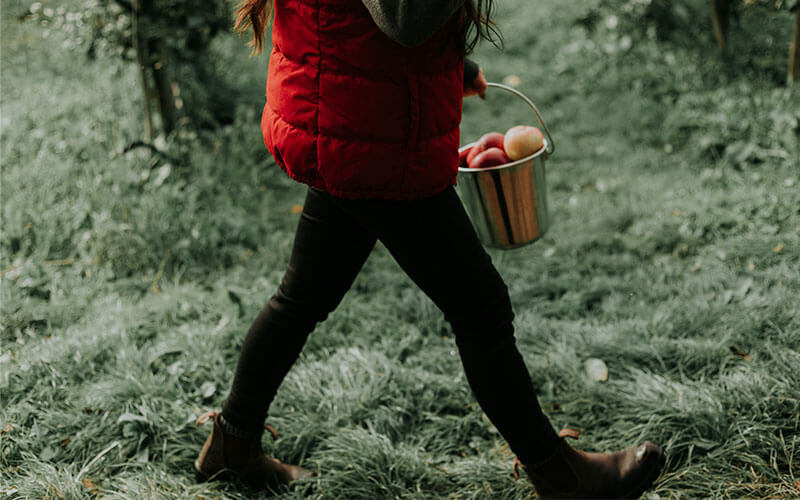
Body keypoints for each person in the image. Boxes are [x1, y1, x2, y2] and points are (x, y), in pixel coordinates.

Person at [194, 0, 666, 498]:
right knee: (480, 309)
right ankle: (563, 478)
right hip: (370, 133)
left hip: (349, 112)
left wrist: (449, 63)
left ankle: (233, 444)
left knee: (302, 297)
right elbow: (404, 19)